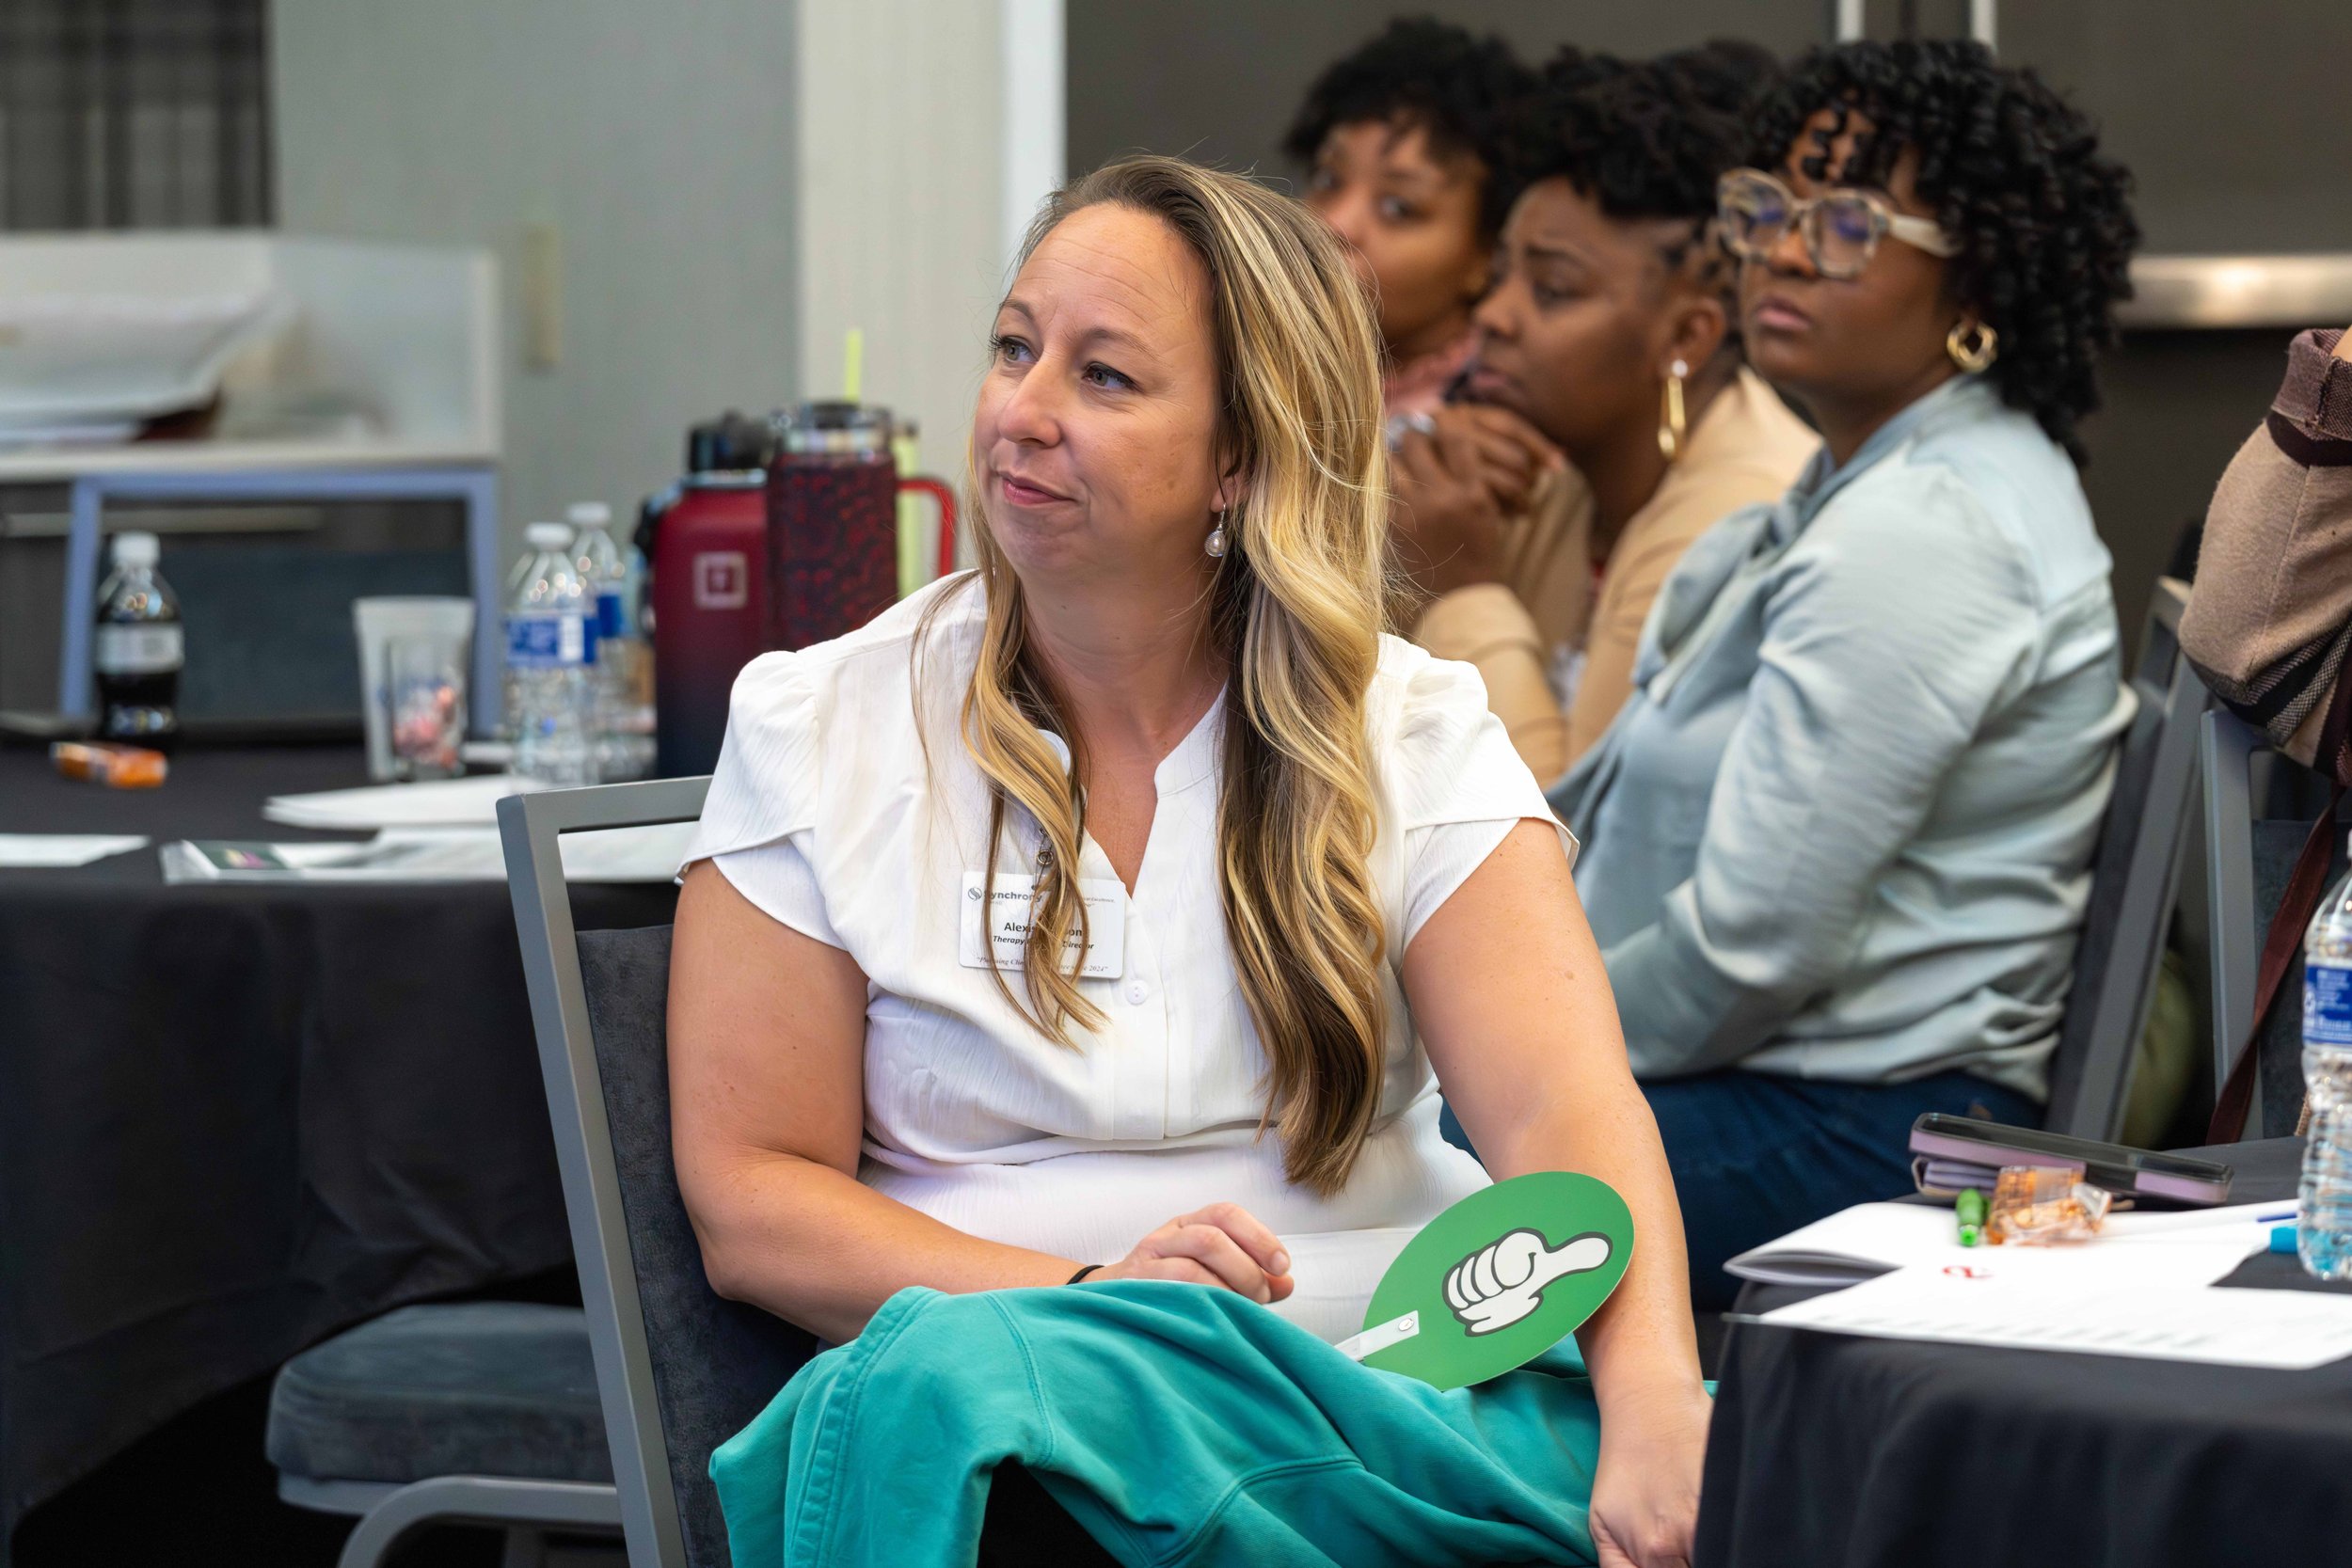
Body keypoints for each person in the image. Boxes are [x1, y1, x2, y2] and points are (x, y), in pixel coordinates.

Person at [669, 156, 1709, 1567]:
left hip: (1403, 1378)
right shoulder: (824, 722)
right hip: (1033, 1393)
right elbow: (752, 1200)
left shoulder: (1406, 727)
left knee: (1774, 1448)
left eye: (1104, 378)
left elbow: (1564, 1116)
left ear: (1240, 457)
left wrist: (1653, 1401)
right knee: (942, 1389)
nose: (1021, 413)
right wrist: (1099, 1298)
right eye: (1013, 348)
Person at [1549, 40, 2142, 1309]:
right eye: (1767, 207)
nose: (1785, 247)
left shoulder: (1930, 526)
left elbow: (1754, 948)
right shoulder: (1863, 487)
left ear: (1978, 261)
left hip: (1871, 1134)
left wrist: (1530, 1057)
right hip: (1790, 1092)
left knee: (1392, 1183)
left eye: (1852, 222)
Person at [1393, 45, 1819, 780]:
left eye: (1552, 289)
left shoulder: (1741, 518)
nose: (1493, 315)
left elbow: (1569, 849)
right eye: (1501, 276)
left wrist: (1464, 585)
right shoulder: (1562, 478)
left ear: (1686, 337)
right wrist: (1415, 503)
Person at [1287, 16, 1534, 417]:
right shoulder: (1251, 365)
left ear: (1487, 257)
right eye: (1328, 178)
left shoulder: (1491, 435)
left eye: (1398, 208)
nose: (1334, 225)